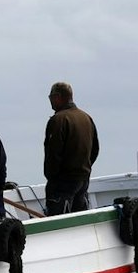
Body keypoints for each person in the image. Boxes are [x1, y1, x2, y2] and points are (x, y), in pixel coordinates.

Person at [43, 80, 99, 214]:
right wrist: (85, 167)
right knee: (79, 217)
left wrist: (52, 176)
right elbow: (95, 149)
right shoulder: (86, 118)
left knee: (58, 219)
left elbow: (53, 153)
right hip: (83, 178)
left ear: (58, 97)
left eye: (51, 97)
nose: (50, 101)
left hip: (63, 182)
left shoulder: (58, 120)